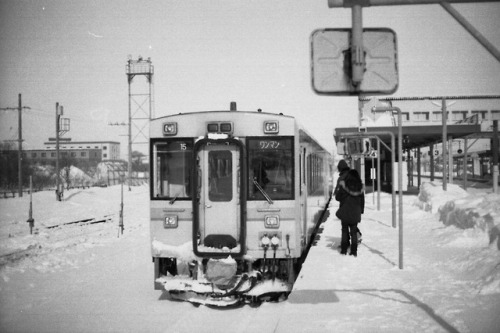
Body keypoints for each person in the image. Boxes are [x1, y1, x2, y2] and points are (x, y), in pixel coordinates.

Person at [335, 169, 365, 257]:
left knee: (344, 231)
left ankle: (344, 250)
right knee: (353, 231)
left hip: (345, 211)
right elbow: (362, 201)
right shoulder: (360, 187)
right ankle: (354, 251)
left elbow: (337, 197)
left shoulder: (344, 185)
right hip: (355, 212)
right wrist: (361, 211)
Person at [334, 160, 362, 244]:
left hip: (345, 205)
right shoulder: (353, 176)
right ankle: (356, 237)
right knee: (353, 224)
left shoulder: (341, 178)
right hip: (355, 204)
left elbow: (337, 193)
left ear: (339, 169)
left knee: (345, 226)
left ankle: (345, 243)